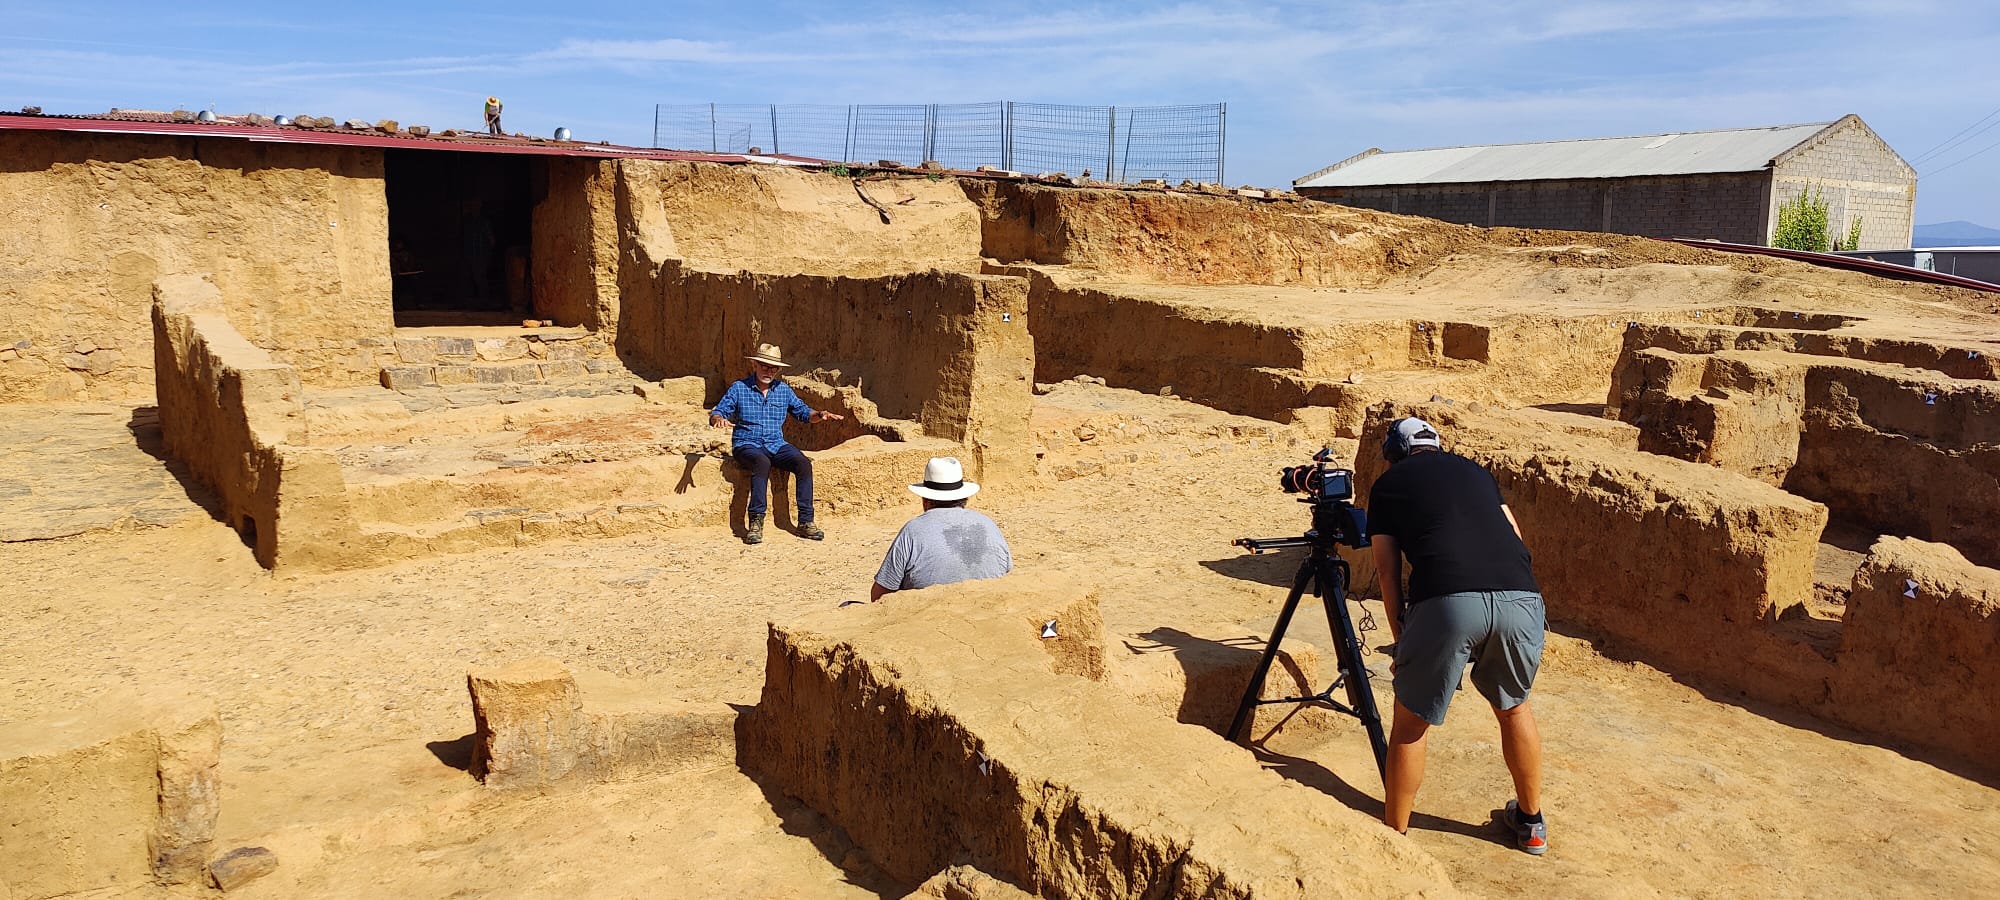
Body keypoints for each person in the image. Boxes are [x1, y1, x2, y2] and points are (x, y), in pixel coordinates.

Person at [1367, 416, 1549, 855]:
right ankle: (1532, 823)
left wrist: (1400, 639)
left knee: (1410, 726)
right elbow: (1516, 535)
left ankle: (1395, 839)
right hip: (1521, 596)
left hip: (1448, 601)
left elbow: (1387, 572)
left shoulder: (1389, 485)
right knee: (1514, 709)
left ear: (1394, 456)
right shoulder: (1475, 471)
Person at [708, 344, 844, 544]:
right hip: (746, 443)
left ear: (778, 370)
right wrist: (718, 419)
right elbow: (718, 412)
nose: (768, 371)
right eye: (764, 366)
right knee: (761, 462)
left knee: (803, 463)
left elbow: (804, 413)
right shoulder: (739, 388)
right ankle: (756, 522)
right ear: (755, 365)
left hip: (775, 443)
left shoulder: (783, 391)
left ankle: (806, 522)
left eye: (773, 368)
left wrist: (820, 415)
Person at [870, 456, 1012, 601]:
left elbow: (879, 596)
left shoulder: (913, 531)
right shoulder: (988, 524)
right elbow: (1006, 572)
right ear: (964, 498)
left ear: (926, 501)